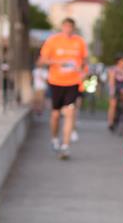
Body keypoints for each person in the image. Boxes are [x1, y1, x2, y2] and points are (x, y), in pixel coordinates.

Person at [37, 17, 87, 159]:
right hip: (56, 82)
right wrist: (58, 62)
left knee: (70, 112)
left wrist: (83, 70)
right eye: (65, 26)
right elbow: (42, 60)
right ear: (62, 27)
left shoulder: (79, 42)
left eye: (70, 27)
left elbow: (84, 60)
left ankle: (65, 146)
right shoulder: (53, 41)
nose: (68, 29)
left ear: (73, 28)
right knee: (55, 115)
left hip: (73, 82)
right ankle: (54, 138)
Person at [107, 53, 123, 131]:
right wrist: (112, 92)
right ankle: (111, 122)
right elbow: (111, 81)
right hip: (115, 86)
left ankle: (122, 113)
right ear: (118, 61)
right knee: (113, 104)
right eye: (122, 61)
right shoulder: (113, 69)